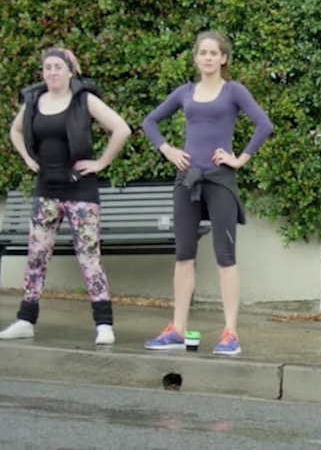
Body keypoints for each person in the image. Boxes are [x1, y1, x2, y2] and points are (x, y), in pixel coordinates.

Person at [142, 31, 274, 355]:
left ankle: (230, 333)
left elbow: (264, 125)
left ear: (224, 58)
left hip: (220, 180)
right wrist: (169, 150)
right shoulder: (185, 92)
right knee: (184, 256)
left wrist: (239, 159)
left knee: (225, 257)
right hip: (187, 180)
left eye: (214, 53)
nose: (209, 58)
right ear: (196, 57)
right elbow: (150, 122)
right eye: (203, 52)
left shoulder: (234, 91)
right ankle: (177, 329)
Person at [1, 48, 131, 345]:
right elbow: (15, 131)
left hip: (80, 191)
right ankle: (25, 319)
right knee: (37, 256)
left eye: (58, 67)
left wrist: (101, 163)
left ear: (71, 71)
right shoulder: (34, 101)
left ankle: (104, 324)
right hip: (46, 191)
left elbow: (121, 129)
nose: (53, 72)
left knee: (89, 257)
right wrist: (27, 158)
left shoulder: (84, 99)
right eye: (48, 67)